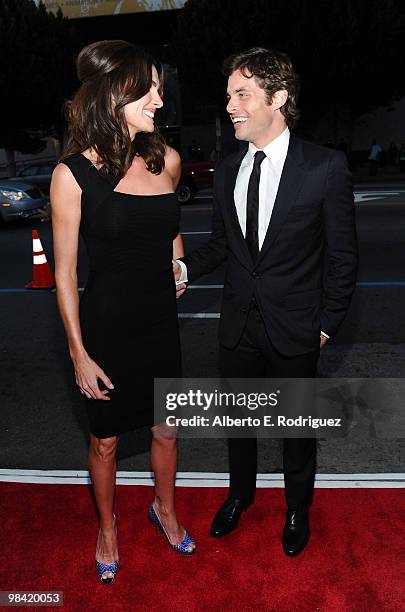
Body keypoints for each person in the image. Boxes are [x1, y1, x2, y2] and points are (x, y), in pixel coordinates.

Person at [174, 47, 358, 557]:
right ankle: (240, 495)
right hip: (237, 326)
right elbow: (222, 246)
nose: (229, 105)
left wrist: (324, 326)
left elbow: (343, 259)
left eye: (242, 94)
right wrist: (185, 268)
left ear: (277, 98)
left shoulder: (324, 168)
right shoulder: (229, 168)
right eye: (229, 93)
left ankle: (298, 507)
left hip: (296, 328)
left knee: (295, 430)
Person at [51, 40, 196, 584]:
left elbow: (170, 228)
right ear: (115, 95)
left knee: (168, 428)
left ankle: (165, 509)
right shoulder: (71, 176)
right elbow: (65, 275)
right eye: (150, 88)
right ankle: (107, 528)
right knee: (105, 439)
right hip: (107, 326)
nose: (160, 99)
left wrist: (178, 263)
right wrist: (78, 355)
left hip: (160, 321)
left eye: (159, 88)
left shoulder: (169, 161)